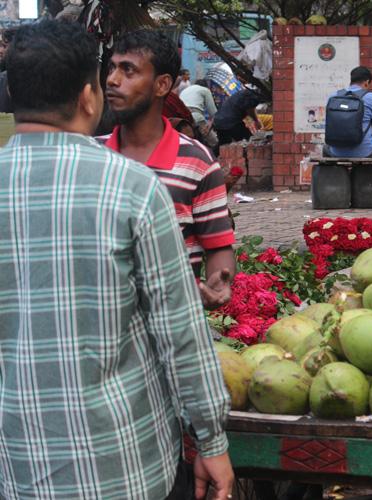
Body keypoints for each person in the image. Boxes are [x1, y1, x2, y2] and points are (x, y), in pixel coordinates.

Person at [0, 20, 233, 499]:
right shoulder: (131, 186)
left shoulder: (159, 174)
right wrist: (211, 438)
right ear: (88, 98)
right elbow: (180, 334)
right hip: (125, 464)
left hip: (20, 464)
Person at [101, 29, 236, 310]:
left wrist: (219, 282)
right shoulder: (91, 156)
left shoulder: (197, 161)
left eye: (128, 70)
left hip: (171, 324)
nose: (112, 80)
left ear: (162, 85)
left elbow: (218, 246)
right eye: (112, 68)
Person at [324, 66, 372, 204]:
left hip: (335, 152)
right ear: (366, 82)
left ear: (351, 80)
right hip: (366, 152)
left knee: (325, 148)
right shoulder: (371, 98)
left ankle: (329, 191)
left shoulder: (334, 96)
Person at [180, 78, 219, 147]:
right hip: (196, 117)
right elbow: (213, 112)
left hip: (181, 120)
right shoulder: (205, 90)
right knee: (214, 142)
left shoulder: (186, 90)